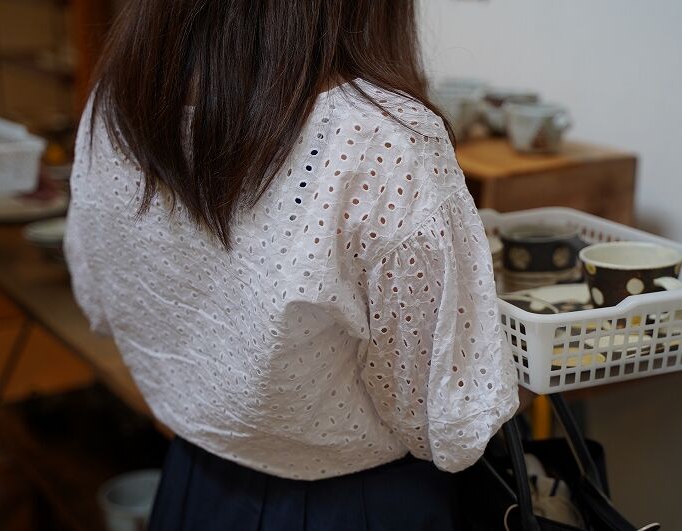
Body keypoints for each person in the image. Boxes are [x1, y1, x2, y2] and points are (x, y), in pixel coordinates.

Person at [65, 1, 529, 529]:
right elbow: (447, 421)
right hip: (358, 506)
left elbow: (99, 300)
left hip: (195, 487)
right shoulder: (383, 140)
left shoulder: (117, 105)